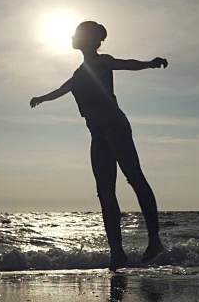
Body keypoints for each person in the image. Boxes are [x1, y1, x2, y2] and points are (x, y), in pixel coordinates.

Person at [29, 21, 167, 271]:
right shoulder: (79, 72)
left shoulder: (102, 62)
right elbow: (62, 90)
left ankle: (154, 240)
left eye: (76, 34)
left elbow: (125, 64)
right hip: (96, 133)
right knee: (105, 191)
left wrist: (149, 63)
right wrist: (41, 98)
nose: (71, 37)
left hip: (114, 125)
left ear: (89, 39)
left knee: (134, 178)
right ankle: (117, 253)